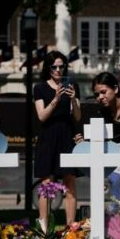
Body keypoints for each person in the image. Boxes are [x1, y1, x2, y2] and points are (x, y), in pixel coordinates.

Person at [33, 51, 81, 227]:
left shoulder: (72, 85)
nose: (58, 70)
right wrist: (56, 99)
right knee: (47, 183)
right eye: (54, 67)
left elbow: (77, 116)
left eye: (61, 66)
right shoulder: (40, 88)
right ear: (48, 68)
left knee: (70, 182)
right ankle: (44, 228)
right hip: (48, 137)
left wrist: (74, 98)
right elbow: (42, 116)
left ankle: (71, 227)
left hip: (67, 136)